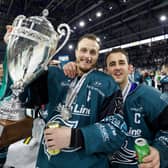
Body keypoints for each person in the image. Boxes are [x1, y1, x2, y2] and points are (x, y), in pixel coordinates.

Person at [63, 48, 168, 168]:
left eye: (121, 63)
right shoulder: (96, 97)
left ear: (130, 69)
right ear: (107, 71)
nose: (117, 67)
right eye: (112, 64)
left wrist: (160, 151)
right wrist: (71, 70)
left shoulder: (150, 96)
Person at [35, 34, 127, 168]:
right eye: (83, 50)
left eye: (93, 52)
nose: (88, 56)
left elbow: (117, 131)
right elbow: (25, 96)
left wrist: (76, 137)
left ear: (97, 55)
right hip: (48, 162)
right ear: (76, 52)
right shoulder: (56, 76)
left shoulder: (107, 84)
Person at [0, 25, 48, 167]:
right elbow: (8, 79)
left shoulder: (32, 75)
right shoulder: (10, 78)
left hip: (21, 134)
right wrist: (10, 46)